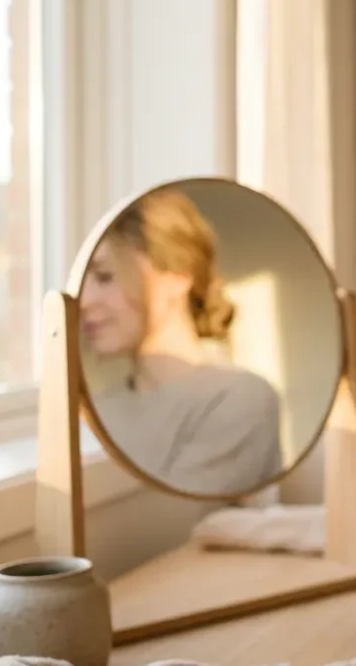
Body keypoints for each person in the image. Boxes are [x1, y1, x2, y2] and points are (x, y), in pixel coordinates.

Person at [79, 186, 282, 498]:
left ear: (177, 276)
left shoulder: (241, 398)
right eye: (85, 281)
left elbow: (179, 523)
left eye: (105, 276)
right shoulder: (97, 410)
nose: (84, 301)